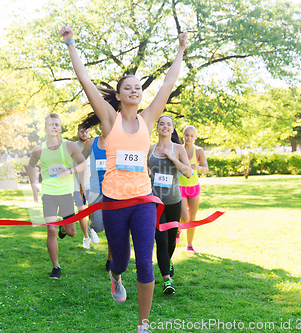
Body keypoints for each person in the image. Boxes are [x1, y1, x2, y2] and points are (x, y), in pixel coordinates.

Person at [60, 25, 187, 333]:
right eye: (127, 87)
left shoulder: (147, 120)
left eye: (137, 87)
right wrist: (71, 44)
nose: (134, 90)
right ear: (118, 96)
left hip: (143, 200)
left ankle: (143, 325)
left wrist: (181, 49)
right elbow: (85, 80)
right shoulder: (109, 119)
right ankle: (115, 276)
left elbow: (169, 83)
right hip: (114, 202)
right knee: (121, 260)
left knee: (144, 262)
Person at [27, 113, 88, 279]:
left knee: (71, 232)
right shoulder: (39, 149)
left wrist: (70, 171)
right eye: (50, 124)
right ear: (45, 128)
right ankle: (56, 266)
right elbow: (31, 166)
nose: (53, 127)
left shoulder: (69, 146)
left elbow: (83, 164)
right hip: (49, 194)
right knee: (51, 230)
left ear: (60, 128)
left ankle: (64, 226)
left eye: (56, 124)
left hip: (66, 194)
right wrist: (34, 185)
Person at [148, 116, 192, 294]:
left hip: (173, 202)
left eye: (169, 124)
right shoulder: (150, 149)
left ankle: (167, 260)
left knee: (171, 242)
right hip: (155, 203)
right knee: (161, 240)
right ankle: (167, 280)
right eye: (161, 124)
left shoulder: (179, 149)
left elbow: (188, 172)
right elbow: (144, 170)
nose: (165, 127)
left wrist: (173, 158)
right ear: (157, 128)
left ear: (173, 129)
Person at [81, 120, 112, 270]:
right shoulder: (90, 144)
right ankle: (91, 226)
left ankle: (110, 260)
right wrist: (80, 186)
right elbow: (79, 163)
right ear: (99, 125)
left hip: (113, 191)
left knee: (113, 228)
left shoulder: (118, 143)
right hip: (94, 191)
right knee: (99, 226)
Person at [178, 125, 209, 253]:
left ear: (195, 137)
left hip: (194, 187)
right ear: (183, 135)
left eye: (191, 136)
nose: (189, 138)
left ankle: (189, 245)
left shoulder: (199, 151)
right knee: (184, 217)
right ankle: (179, 229)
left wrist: (197, 167)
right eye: (187, 135)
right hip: (180, 187)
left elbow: (206, 169)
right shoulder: (178, 150)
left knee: (192, 216)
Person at [72, 124, 94, 249]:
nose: (84, 134)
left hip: (91, 182)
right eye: (81, 131)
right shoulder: (73, 146)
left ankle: (91, 229)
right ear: (78, 132)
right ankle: (85, 236)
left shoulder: (92, 145)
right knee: (81, 210)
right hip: (76, 184)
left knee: (92, 210)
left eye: (86, 131)